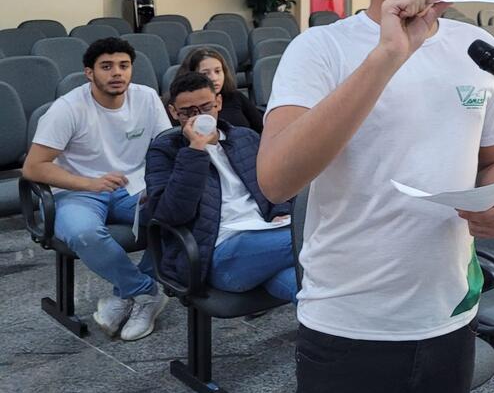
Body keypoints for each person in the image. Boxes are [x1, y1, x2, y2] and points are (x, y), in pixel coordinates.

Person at [257, 0, 494, 393]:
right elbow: (276, 179)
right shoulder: (320, 50)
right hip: (351, 320)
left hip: (450, 311)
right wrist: (388, 55)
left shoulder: (476, 47)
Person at [21, 37, 173, 340]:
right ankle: (145, 292)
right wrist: (91, 183)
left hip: (132, 187)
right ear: (89, 73)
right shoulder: (67, 109)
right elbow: (33, 167)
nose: (117, 73)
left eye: (124, 66)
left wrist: (156, 183)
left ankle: (127, 295)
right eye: (106, 66)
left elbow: (166, 147)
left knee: (178, 212)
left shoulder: (146, 98)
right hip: (76, 191)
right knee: (84, 233)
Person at [146, 72, 297, 303]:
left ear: (218, 102)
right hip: (215, 253)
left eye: (206, 107)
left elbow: (277, 185)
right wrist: (194, 152)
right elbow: (171, 214)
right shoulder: (165, 151)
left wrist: (281, 212)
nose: (198, 116)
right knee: (309, 239)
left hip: (266, 236)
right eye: (188, 112)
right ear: (174, 112)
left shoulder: (245, 138)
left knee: (311, 290)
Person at [182, 47, 262, 132]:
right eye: (205, 74)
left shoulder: (235, 96)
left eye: (217, 71)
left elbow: (262, 128)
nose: (214, 78)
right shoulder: (186, 106)